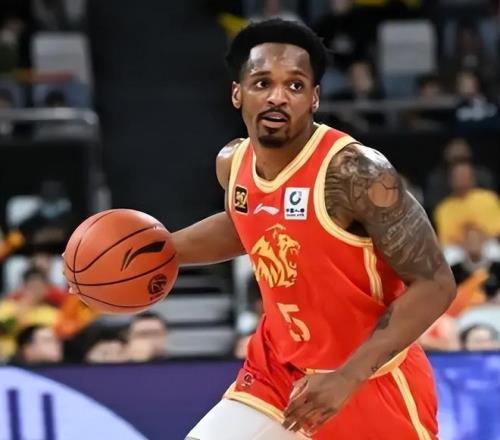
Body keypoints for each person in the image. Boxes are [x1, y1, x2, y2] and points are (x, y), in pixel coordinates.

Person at [170, 19, 456, 439]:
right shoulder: (232, 162)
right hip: (275, 369)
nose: (278, 97)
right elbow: (246, 223)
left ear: (314, 98)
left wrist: (348, 376)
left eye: (295, 85)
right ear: (237, 93)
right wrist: (162, 251)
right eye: (262, 83)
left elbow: (436, 284)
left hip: (369, 378)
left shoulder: (357, 172)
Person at [434, 160, 500, 246]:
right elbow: (446, 239)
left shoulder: (489, 198)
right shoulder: (443, 208)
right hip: (459, 247)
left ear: (472, 177)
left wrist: (477, 242)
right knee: (449, 252)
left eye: (463, 175)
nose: (460, 179)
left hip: (486, 243)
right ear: (450, 180)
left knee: (494, 248)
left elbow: (496, 231)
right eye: (457, 176)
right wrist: (467, 244)